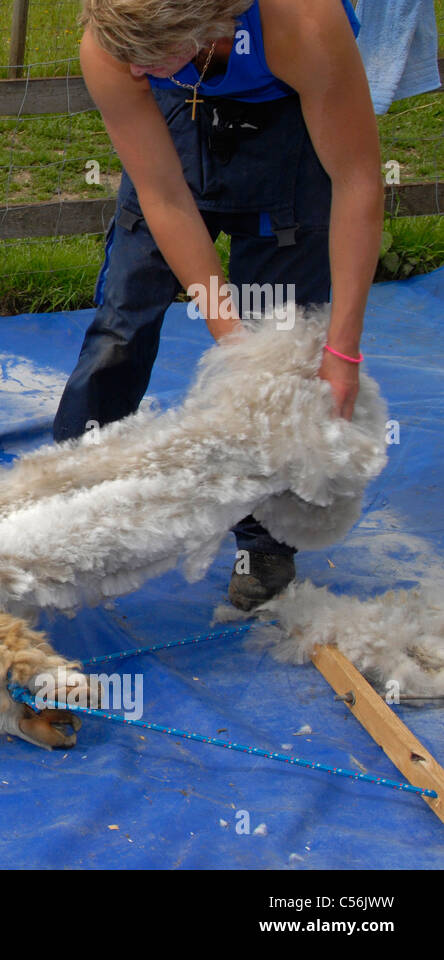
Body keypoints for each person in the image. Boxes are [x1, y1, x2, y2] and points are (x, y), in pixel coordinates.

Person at [54, 0, 382, 609]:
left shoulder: (303, 22)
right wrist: (233, 344)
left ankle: (263, 541)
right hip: (181, 111)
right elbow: (164, 195)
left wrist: (341, 349)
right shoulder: (113, 48)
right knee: (123, 319)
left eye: (152, 58)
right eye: (133, 60)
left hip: (289, 120)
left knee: (283, 331)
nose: (134, 69)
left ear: (207, 23)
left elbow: (359, 179)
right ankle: (68, 502)